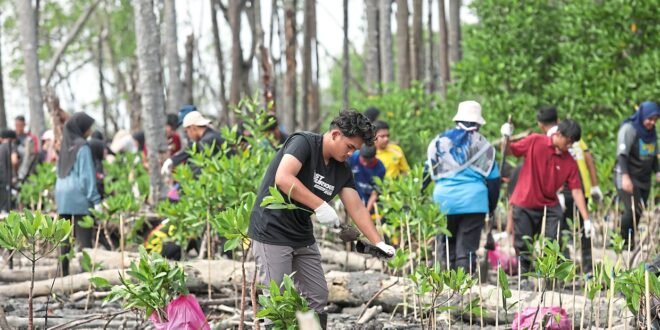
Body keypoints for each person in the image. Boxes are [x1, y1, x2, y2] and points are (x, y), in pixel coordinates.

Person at [247, 110, 395, 329]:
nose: (351, 154)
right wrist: (320, 205)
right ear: (335, 134)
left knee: (316, 295)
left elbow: (356, 207)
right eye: (350, 147)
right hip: (271, 229)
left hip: (301, 233)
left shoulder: (342, 169)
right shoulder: (304, 143)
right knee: (277, 299)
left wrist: (378, 242)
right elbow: (283, 178)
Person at [500, 118, 592, 274]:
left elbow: (576, 190)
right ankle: (524, 276)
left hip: (549, 205)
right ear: (558, 134)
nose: (569, 146)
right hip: (525, 202)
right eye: (568, 142)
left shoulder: (569, 161)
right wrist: (505, 137)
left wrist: (587, 219)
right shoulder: (535, 141)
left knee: (552, 241)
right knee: (523, 244)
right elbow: (509, 151)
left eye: (572, 144)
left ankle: (548, 276)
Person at [425, 101, 500, 272]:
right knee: (466, 249)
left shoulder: (440, 141)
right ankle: (464, 287)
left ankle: (447, 287)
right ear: (478, 123)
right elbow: (494, 181)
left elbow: (427, 171)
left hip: (443, 202)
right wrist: (491, 207)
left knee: (446, 244)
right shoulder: (484, 146)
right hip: (474, 202)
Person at [536, 106, 598, 272]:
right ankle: (564, 268)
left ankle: (588, 269)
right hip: (561, 193)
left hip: (579, 190)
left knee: (585, 230)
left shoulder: (575, 138)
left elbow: (588, 159)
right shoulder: (548, 143)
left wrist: (595, 186)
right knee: (560, 232)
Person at [55, 113, 102, 276]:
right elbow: (86, 177)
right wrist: (96, 200)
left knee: (65, 239)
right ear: (81, 128)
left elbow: (58, 172)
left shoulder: (64, 147)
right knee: (84, 240)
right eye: (89, 126)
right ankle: (86, 276)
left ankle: (63, 274)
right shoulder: (83, 146)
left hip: (62, 196)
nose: (91, 130)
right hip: (79, 197)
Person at [615, 101, 660, 248]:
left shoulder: (651, 133)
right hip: (627, 176)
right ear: (642, 115)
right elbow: (622, 155)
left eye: (655, 120)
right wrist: (625, 177)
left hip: (644, 179)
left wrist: (657, 171)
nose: (652, 123)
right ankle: (621, 241)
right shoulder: (629, 129)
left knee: (639, 210)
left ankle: (630, 242)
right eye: (650, 119)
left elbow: (653, 155)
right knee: (631, 210)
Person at [161, 111, 227, 176]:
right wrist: (172, 160)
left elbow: (206, 168)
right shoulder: (215, 135)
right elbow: (191, 147)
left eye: (186, 131)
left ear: (193, 128)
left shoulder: (206, 141)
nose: (188, 135)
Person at [348, 144, 385, 213]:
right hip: (357, 195)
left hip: (371, 200)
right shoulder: (353, 157)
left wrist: (366, 212)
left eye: (369, 161)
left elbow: (375, 193)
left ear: (374, 157)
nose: (365, 164)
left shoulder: (380, 169)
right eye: (363, 160)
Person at [14, 116, 40, 182]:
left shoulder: (30, 138)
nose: (18, 128)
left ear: (24, 125)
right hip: (14, 172)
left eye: (20, 125)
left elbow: (35, 154)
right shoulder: (12, 139)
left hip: (27, 171)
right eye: (16, 125)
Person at [0, 130, 17, 213]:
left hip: (1, 179)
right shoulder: (11, 146)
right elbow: (14, 160)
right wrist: (15, 173)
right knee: (7, 207)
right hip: (7, 179)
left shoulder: (1, 147)